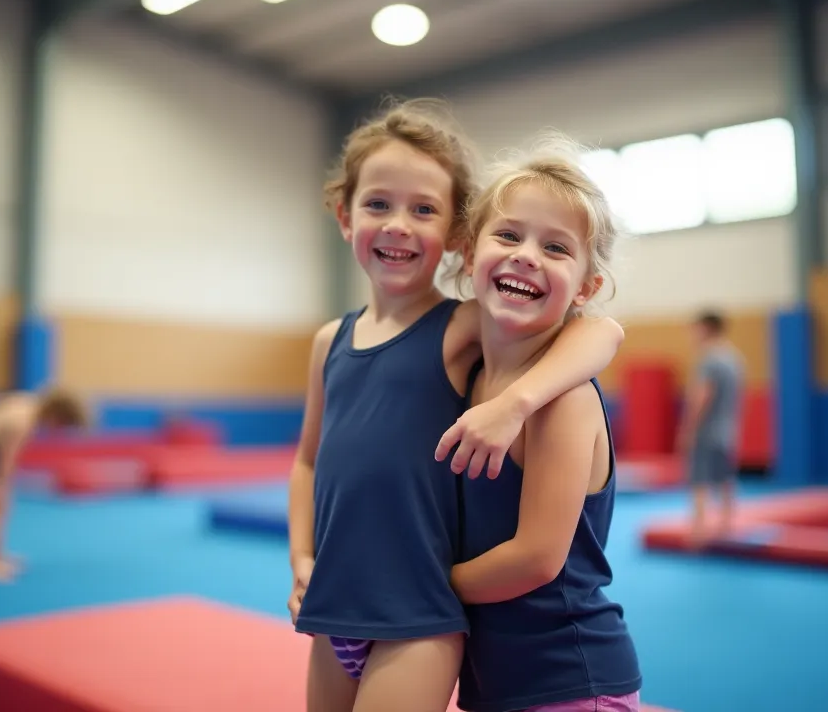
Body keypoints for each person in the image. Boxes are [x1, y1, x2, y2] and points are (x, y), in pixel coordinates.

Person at [287, 101, 627, 712]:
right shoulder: (327, 343)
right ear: (345, 215)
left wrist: (517, 404)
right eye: (377, 204)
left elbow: (600, 332)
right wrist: (303, 558)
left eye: (424, 209)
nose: (398, 224)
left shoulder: (461, 324)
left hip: (418, 609)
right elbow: (308, 462)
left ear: (455, 239)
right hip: (340, 598)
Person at [452, 138, 642, 712]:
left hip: (571, 678)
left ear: (586, 287)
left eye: (555, 247)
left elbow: (536, 559)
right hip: (494, 682)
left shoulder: (565, 399)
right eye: (508, 235)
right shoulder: (468, 375)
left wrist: (415, 584)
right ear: (468, 253)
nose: (527, 255)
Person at [0, 388, 86, 582]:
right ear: (56, 413)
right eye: (61, 424)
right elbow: (6, 458)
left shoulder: (26, 400)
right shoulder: (23, 422)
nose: (57, 429)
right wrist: (3, 483)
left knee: (0, 507)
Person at [677, 309, 745, 547]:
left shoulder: (708, 359)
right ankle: (727, 525)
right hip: (728, 430)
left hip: (707, 430)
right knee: (725, 478)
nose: (692, 334)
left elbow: (702, 396)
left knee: (700, 480)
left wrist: (688, 428)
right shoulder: (733, 358)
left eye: (694, 329)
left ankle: (698, 532)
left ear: (706, 328)